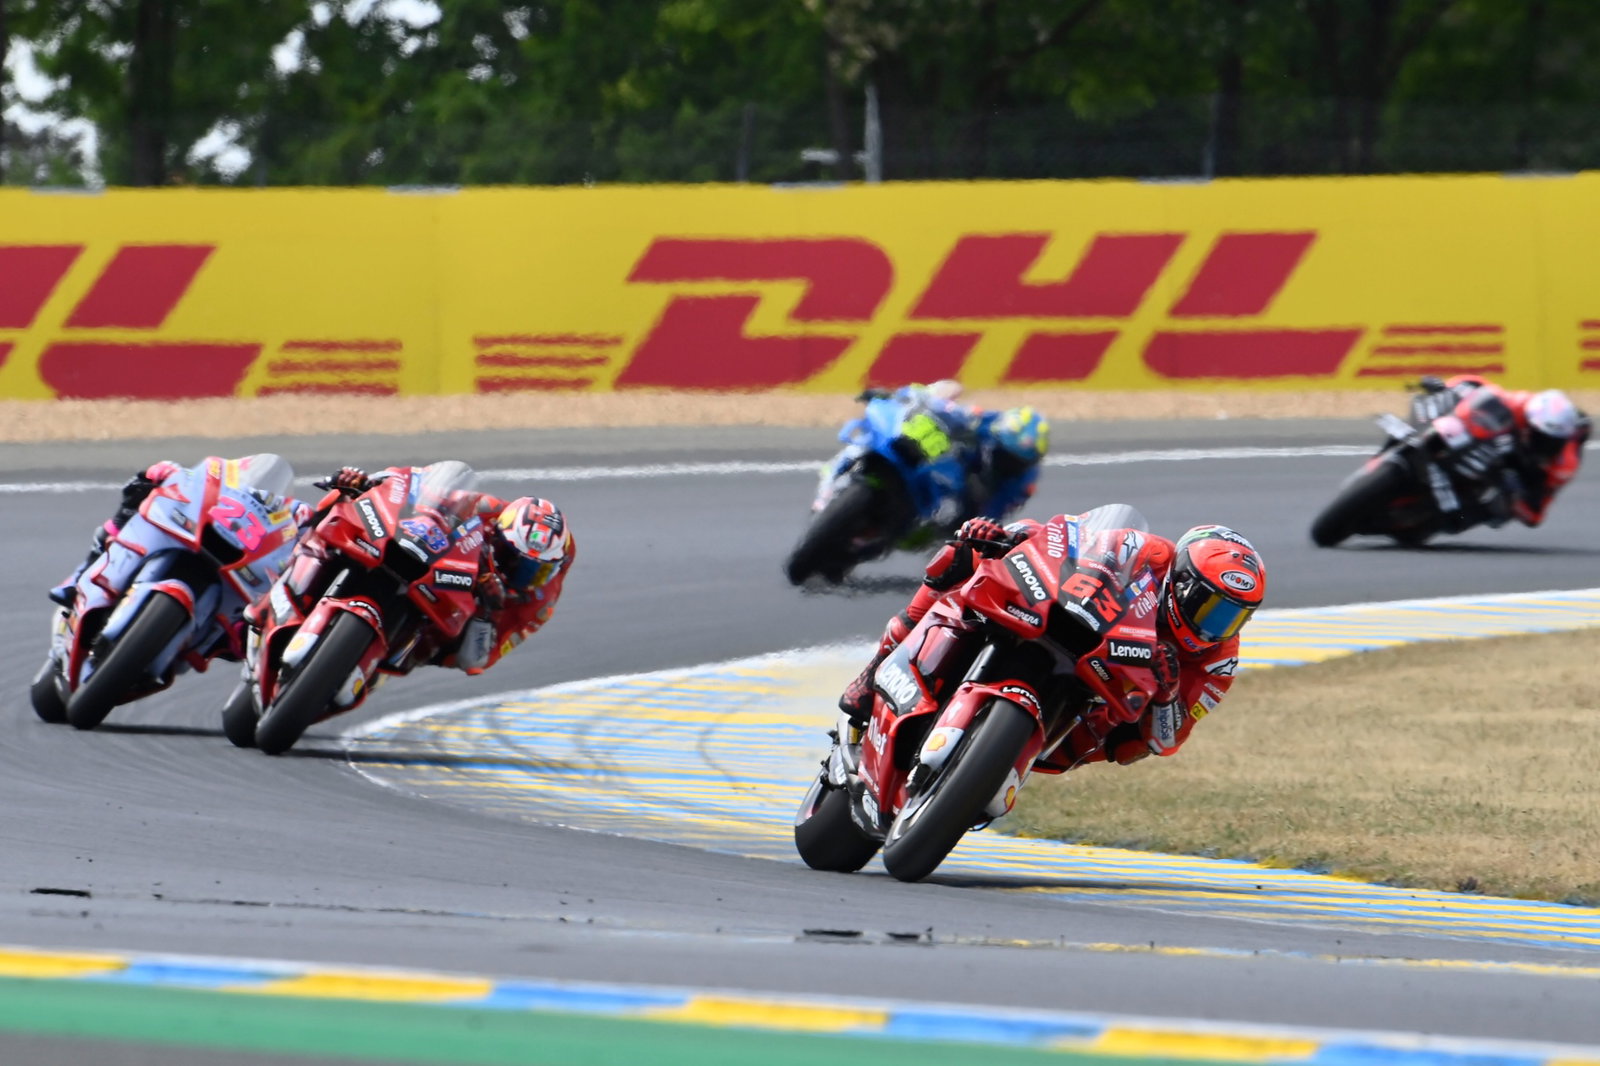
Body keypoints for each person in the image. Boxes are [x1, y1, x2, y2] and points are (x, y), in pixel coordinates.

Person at [837, 514, 1264, 767]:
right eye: (1210, 607)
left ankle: (1004, 764)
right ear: (1182, 581)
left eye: (1234, 617)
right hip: (1079, 628)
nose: (1216, 626)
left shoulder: (1218, 662)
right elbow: (1069, 540)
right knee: (963, 556)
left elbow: (1167, 741)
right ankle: (876, 669)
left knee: (1131, 746)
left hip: (1106, 697)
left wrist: (1167, 695)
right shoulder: (1146, 551)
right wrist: (1011, 537)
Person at [324, 466, 575, 676]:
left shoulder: (539, 604)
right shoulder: (489, 509)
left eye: (537, 571)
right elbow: (420, 485)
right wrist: (372, 482)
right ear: (497, 535)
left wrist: (490, 610)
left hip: (446, 623)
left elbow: (477, 660)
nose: (519, 573)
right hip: (438, 567)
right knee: (325, 507)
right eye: (511, 559)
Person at [49, 453, 305, 608]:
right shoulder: (239, 477)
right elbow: (210, 476)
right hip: (207, 525)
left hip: (242, 563)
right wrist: (166, 474)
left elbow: (306, 531)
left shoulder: (297, 513)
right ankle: (80, 574)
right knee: (141, 490)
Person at [854, 381, 1050, 524]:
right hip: (946, 463)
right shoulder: (988, 422)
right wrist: (903, 398)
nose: (1006, 461)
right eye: (1004, 453)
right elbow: (949, 409)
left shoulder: (1023, 482)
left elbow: (995, 513)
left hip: (962, 499)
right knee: (922, 426)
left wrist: (977, 528)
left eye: (1014, 460)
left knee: (953, 521)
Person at [1411, 375, 1589, 528]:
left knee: (1497, 509)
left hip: (1515, 472)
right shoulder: (1520, 404)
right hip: (1489, 443)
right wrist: (1447, 387)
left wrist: (1515, 496)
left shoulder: (1564, 464)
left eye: (1552, 440)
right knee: (1458, 406)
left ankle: (1457, 516)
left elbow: (1535, 515)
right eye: (1540, 435)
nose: (1545, 443)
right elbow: (1481, 386)